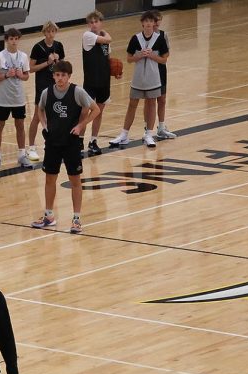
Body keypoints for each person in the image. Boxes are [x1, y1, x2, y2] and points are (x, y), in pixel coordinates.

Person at [31, 60, 97, 234]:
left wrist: (82, 125)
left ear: (69, 76)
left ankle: (76, 219)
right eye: (57, 75)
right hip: (52, 142)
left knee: (75, 180)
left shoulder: (77, 92)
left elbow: (95, 109)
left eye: (63, 75)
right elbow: (40, 109)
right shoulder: (46, 92)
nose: (59, 78)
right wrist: (44, 125)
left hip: (71, 143)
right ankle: (49, 215)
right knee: (49, 179)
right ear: (53, 75)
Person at [109, 11, 168, 149]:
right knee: (132, 105)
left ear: (154, 24)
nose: (148, 23)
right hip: (138, 78)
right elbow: (129, 59)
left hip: (153, 78)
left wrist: (153, 56)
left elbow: (164, 59)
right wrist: (140, 55)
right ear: (142, 23)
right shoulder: (135, 38)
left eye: (150, 21)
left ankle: (148, 134)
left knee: (152, 104)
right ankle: (124, 134)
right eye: (146, 21)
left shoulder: (159, 39)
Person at [0, 28, 31, 170]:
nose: (14, 42)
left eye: (16, 39)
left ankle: (22, 154)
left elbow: (27, 76)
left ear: (18, 40)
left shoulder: (23, 56)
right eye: (11, 39)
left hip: (18, 98)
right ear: (7, 40)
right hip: (3, 99)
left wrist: (20, 75)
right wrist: (6, 75)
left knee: (20, 125)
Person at [26, 22, 64, 162]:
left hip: (56, 86)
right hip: (42, 86)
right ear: (44, 32)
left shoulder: (59, 46)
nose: (51, 34)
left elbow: (62, 67)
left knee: (55, 115)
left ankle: (53, 144)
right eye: (48, 31)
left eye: (53, 31)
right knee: (37, 116)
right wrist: (47, 63)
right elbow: (31, 69)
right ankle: (31, 147)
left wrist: (58, 61)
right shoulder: (38, 47)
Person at [81, 10, 114, 155]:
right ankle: (78, 141)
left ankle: (93, 141)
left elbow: (108, 59)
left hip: (104, 81)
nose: (94, 24)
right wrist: (105, 33)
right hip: (90, 82)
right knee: (84, 112)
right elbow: (108, 39)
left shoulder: (103, 40)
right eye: (91, 22)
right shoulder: (88, 36)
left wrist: (115, 71)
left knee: (99, 112)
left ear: (101, 22)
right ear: (89, 24)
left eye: (96, 21)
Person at [154, 11, 177, 140]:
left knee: (162, 99)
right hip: (149, 71)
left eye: (159, 20)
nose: (157, 22)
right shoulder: (144, 36)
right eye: (154, 20)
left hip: (161, 70)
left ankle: (161, 127)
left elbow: (166, 55)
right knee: (150, 101)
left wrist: (157, 58)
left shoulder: (163, 35)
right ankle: (148, 128)